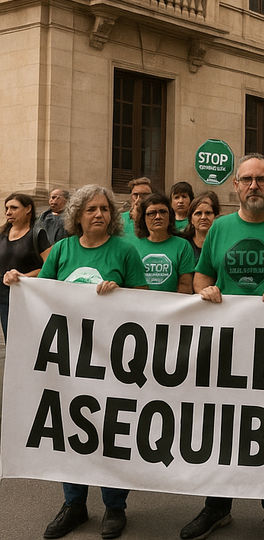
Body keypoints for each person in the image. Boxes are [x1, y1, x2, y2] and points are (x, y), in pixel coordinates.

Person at [181, 154, 264, 540]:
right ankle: (216, 507)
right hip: (227, 343)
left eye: (261, 179)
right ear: (235, 186)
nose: (253, 185)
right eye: (246, 179)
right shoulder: (221, 228)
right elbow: (204, 274)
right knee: (221, 427)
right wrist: (203, 289)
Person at [4, 184, 147, 540]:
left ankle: (115, 506)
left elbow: (146, 301)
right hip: (68, 362)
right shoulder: (63, 250)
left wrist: (121, 291)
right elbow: (44, 293)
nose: (99, 214)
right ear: (77, 216)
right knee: (71, 431)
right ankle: (74, 504)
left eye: (104, 209)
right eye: (91, 209)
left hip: (113, 361)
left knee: (111, 430)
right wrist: (19, 282)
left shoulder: (125, 251)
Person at [0, 192, 51, 337]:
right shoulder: (2, 235)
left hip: (28, 296)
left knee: (28, 339)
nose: (8, 212)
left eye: (14, 208)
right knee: (10, 339)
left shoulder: (37, 234)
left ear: (28, 209)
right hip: (4, 298)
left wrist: (23, 277)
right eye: (7, 208)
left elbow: (49, 268)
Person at [134, 193, 196, 294]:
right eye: (151, 213)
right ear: (143, 218)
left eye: (163, 212)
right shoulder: (134, 247)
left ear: (170, 216)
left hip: (173, 307)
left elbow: (185, 286)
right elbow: (132, 284)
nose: (158, 217)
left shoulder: (183, 246)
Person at [182, 192, 220, 260]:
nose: (203, 217)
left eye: (208, 213)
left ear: (215, 217)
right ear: (191, 219)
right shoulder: (183, 243)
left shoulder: (221, 243)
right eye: (198, 213)